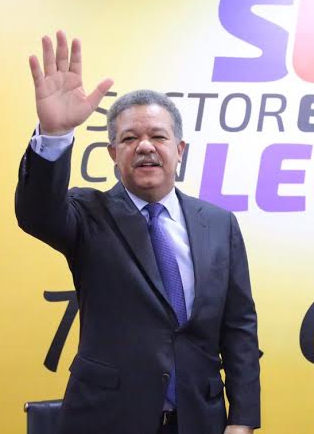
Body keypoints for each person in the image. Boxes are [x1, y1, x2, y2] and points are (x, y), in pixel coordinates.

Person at [15, 31, 260, 434]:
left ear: (180, 150)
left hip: (199, 420)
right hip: (107, 419)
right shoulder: (88, 213)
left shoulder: (219, 224)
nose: (145, 146)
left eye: (158, 136)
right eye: (130, 138)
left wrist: (243, 419)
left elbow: (239, 328)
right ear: (113, 154)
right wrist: (55, 134)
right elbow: (36, 213)